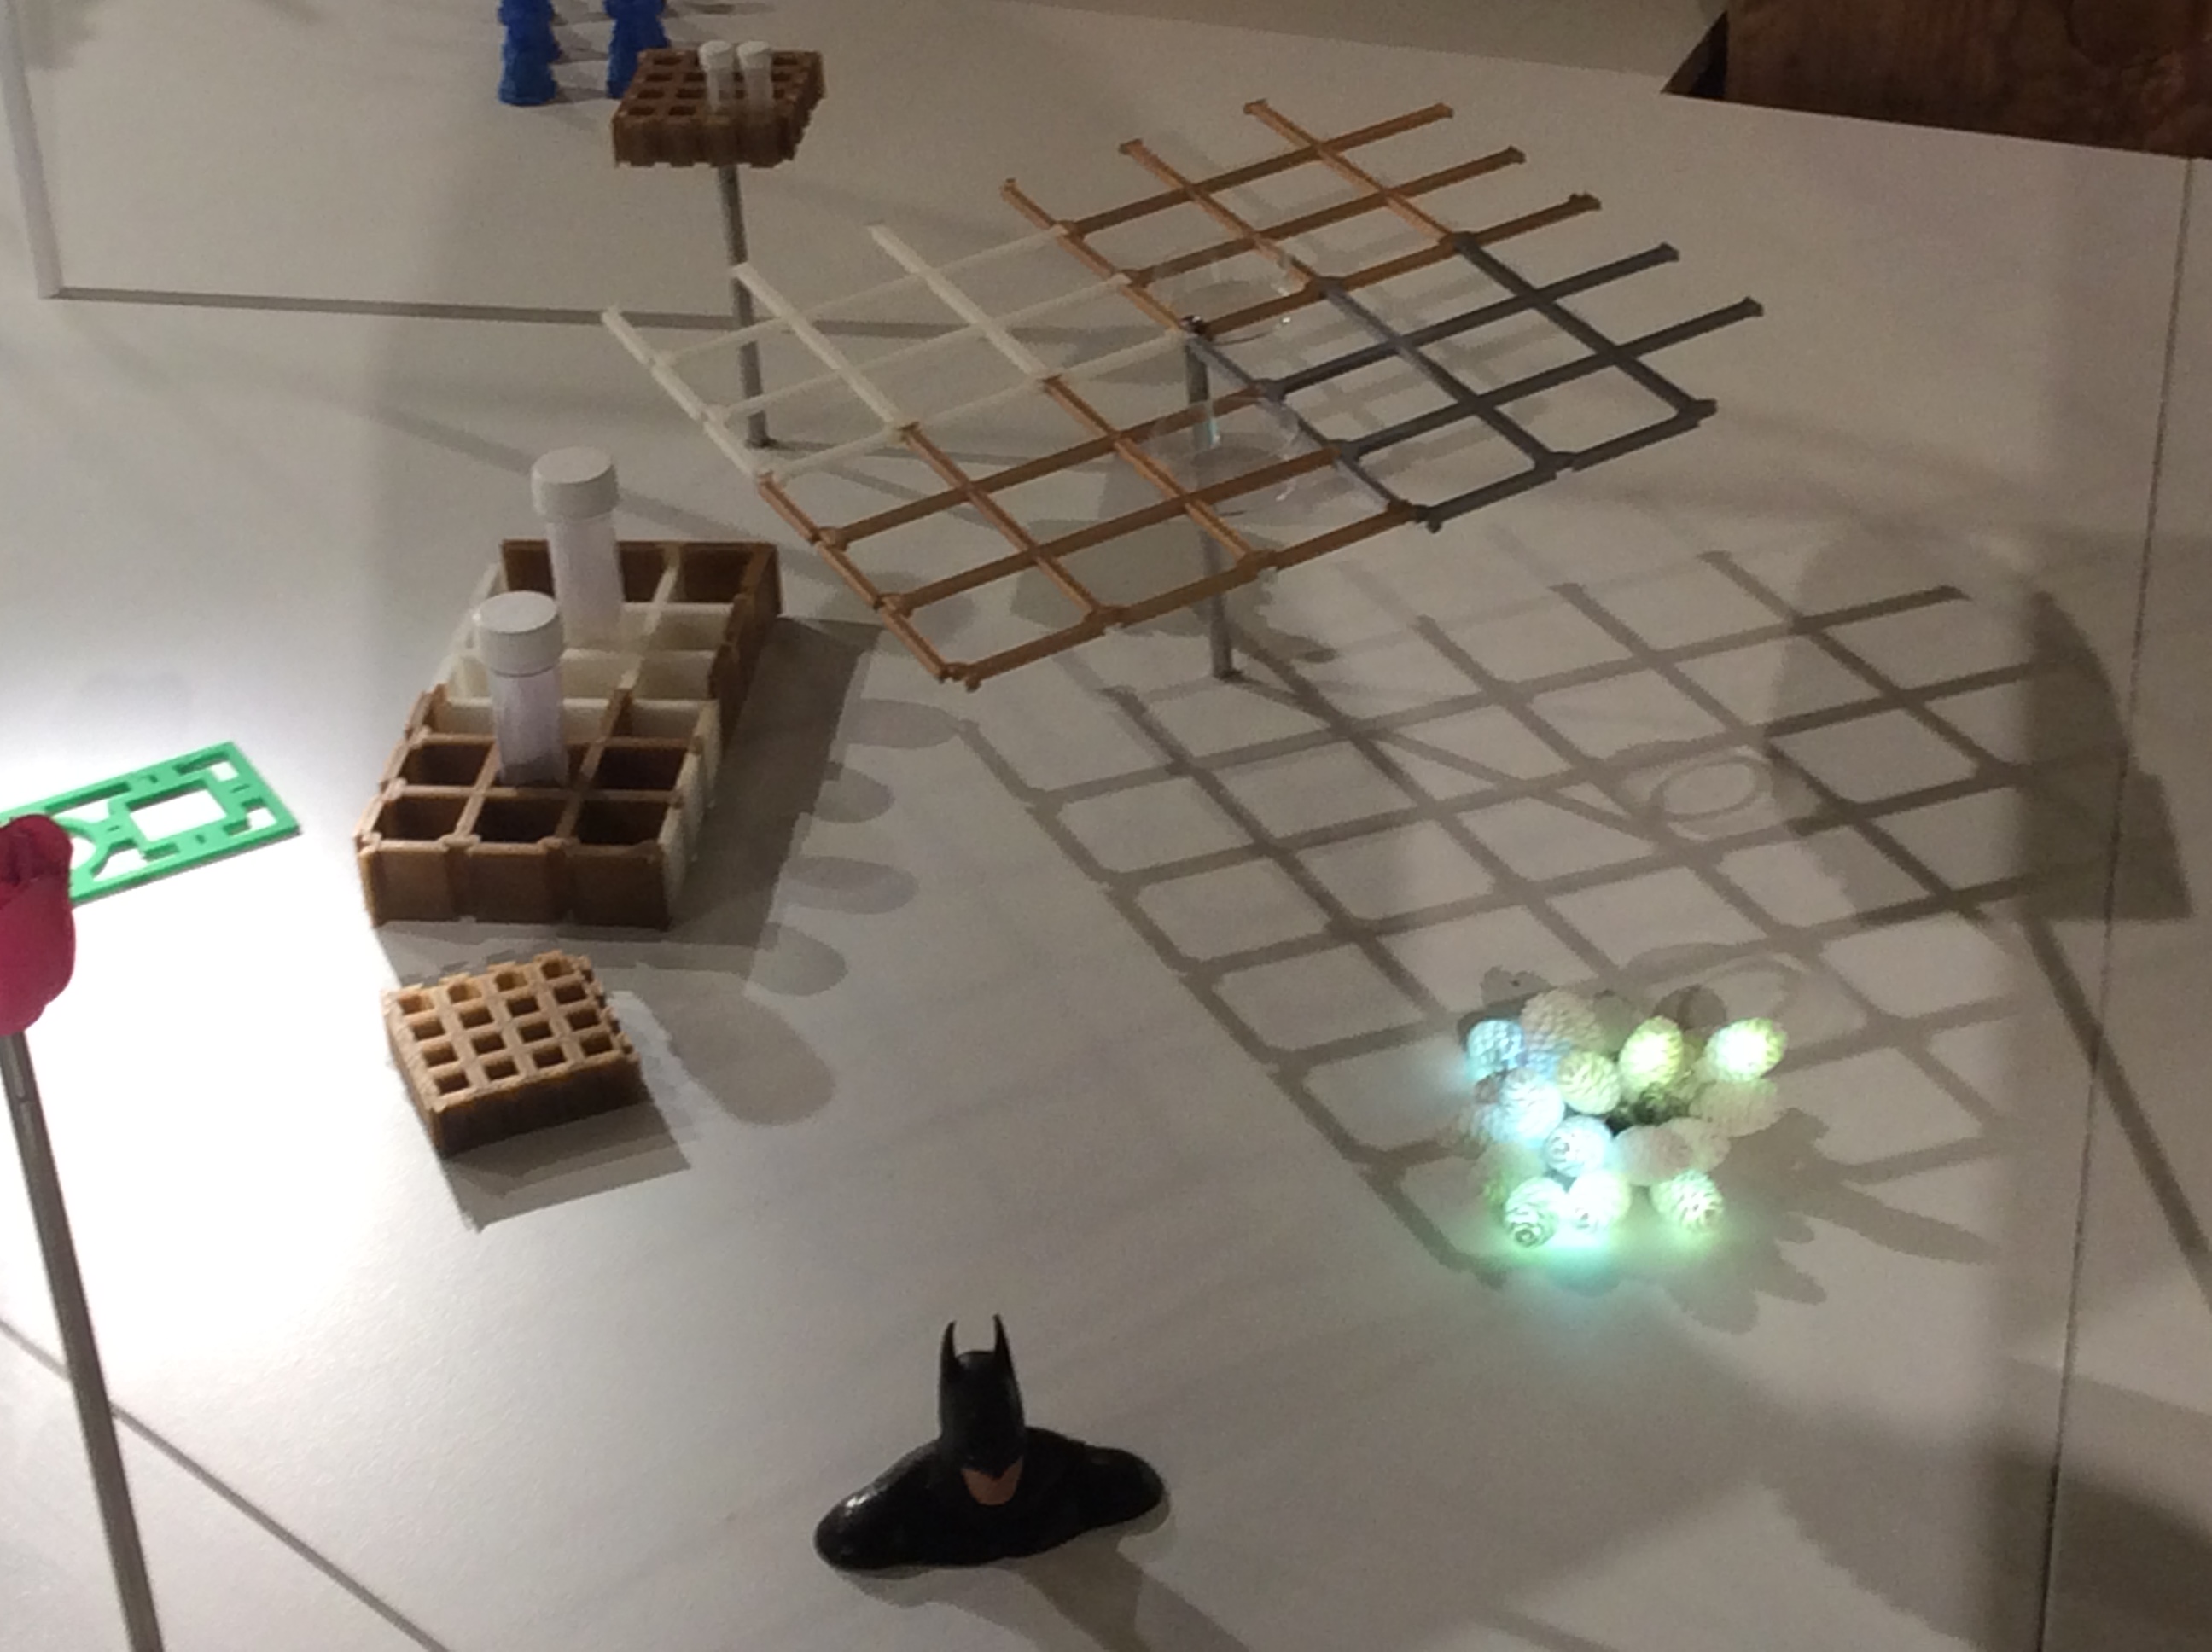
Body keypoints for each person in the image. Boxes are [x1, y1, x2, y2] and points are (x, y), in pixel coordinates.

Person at [814, 1317, 1165, 1569]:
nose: (996, 1481)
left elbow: (1129, 1485)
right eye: (980, 1469)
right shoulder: (910, 1492)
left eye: (1007, 1466)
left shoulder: (1059, 1465)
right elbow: (846, 1536)